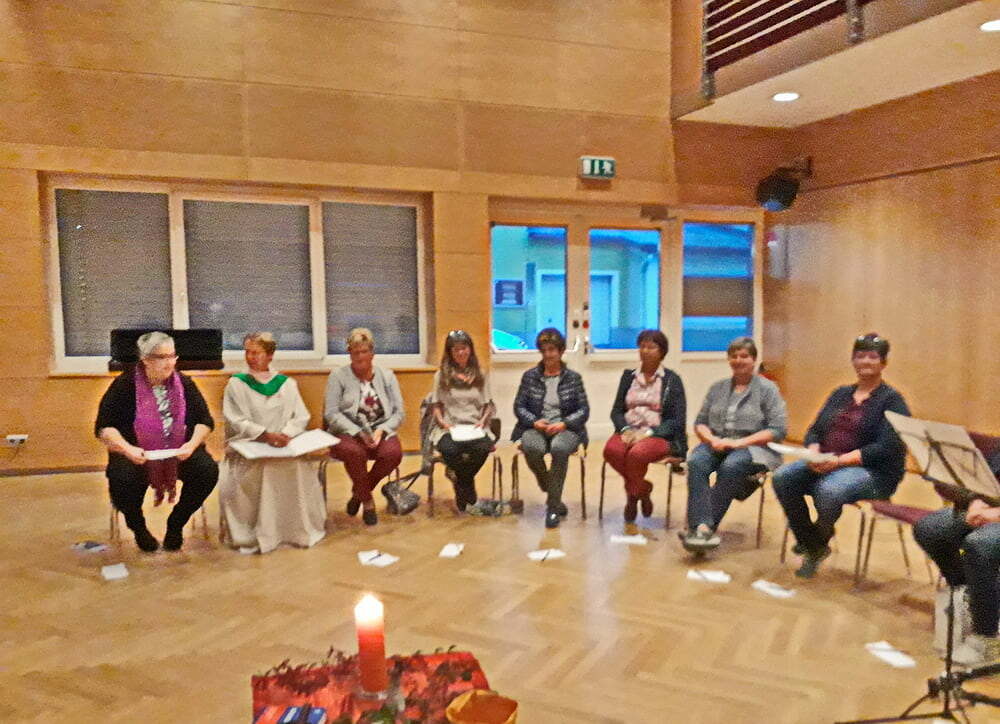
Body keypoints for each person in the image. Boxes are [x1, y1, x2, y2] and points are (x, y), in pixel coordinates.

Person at [773, 333, 910, 578]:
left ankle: (818, 540)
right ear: (853, 360)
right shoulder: (840, 394)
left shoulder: (892, 401)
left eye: (872, 357)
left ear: (883, 363)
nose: (865, 361)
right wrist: (813, 451)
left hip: (872, 472)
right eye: (860, 356)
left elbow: (886, 447)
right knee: (783, 478)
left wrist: (838, 461)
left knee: (829, 490)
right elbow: (815, 430)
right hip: (826, 461)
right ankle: (812, 542)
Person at [95, 331, 218, 552]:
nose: (169, 363)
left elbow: (204, 421)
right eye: (162, 357)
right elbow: (104, 427)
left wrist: (191, 445)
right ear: (145, 360)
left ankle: (176, 523)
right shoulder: (124, 385)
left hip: (178, 450)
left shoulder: (184, 384)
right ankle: (138, 528)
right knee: (122, 479)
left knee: (206, 471)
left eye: (172, 356)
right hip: (136, 452)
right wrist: (128, 449)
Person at [218, 333, 326, 554]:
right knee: (263, 468)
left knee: (295, 466)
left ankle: (294, 532)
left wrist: (285, 434)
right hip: (250, 447)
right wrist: (265, 435)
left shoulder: (287, 385)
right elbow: (235, 420)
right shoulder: (236, 385)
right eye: (247, 352)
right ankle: (256, 534)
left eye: (256, 353)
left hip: (283, 446)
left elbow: (301, 417)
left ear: (269, 355)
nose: (250, 357)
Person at [683, 336, 788, 551]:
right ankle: (701, 526)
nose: (738, 360)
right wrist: (712, 439)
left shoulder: (768, 389)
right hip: (718, 442)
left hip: (754, 447)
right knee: (696, 462)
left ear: (754, 359)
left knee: (731, 466)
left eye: (744, 356)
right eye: (734, 356)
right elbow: (700, 423)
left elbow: (778, 429)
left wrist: (740, 442)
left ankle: (703, 528)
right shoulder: (717, 388)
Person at [912, 449, 1000, 667]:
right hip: (991, 507)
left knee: (979, 545)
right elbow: (988, 475)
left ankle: (986, 638)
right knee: (930, 529)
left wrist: (995, 515)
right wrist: (975, 501)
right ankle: (973, 597)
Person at [603, 329, 687, 524]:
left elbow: (676, 420)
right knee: (611, 451)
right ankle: (643, 489)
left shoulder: (672, 380)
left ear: (662, 351)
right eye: (642, 346)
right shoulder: (628, 377)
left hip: (658, 434)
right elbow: (616, 411)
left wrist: (647, 434)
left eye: (651, 347)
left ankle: (632, 499)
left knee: (636, 454)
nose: (645, 351)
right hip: (629, 430)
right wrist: (625, 429)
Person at [324, 328, 404, 526]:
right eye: (355, 352)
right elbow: (331, 413)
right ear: (349, 353)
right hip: (347, 431)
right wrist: (358, 432)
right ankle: (367, 501)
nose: (360, 356)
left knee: (393, 454)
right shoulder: (338, 376)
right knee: (354, 453)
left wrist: (381, 431)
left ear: (372, 353)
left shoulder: (387, 376)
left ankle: (358, 493)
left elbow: (399, 413)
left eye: (364, 351)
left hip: (379, 428)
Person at [511, 328, 589, 529]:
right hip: (536, 427)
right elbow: (519, 407)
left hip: (566, 429)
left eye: (552, 350)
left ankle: (553, 507)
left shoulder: (573, 378)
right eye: (544, 350)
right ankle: (550, 487)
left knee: (559, 449)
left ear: (561, 351)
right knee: (532, 448)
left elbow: (583, 410)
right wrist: (534, 421)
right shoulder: (530, 377)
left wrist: (565, 423)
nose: (548, 354)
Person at [429, 330, 496, 511]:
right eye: (456, 349)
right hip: (450, 427)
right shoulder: (441, 375)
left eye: (464, 348)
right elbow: (436, 405)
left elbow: (488, 405)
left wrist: (483, 421)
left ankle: (461, 482)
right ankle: (467, 489)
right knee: (449, 449)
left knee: (482, 448)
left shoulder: (480, 374)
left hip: (475, 425)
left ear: (470, 349)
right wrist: (442, 422)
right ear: (450, 352)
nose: (460, 353)